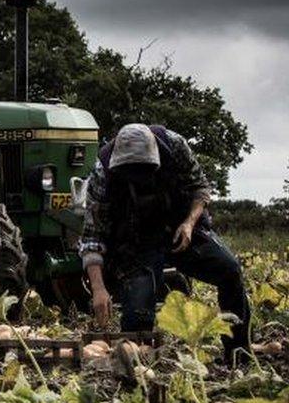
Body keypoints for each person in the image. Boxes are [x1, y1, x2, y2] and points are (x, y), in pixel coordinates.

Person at [80, 123, 250, 363]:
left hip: (181, 229)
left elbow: (200, 188)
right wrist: (98, 288)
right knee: (137, 316)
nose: (139, 179)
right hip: (136, 240)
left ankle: (238, 354)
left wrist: (190, 223)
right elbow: (92, 235)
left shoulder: (175, 146)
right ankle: (137, 367)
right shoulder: (102, 172)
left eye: (144, 171)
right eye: (131, 173)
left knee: (230, 270)